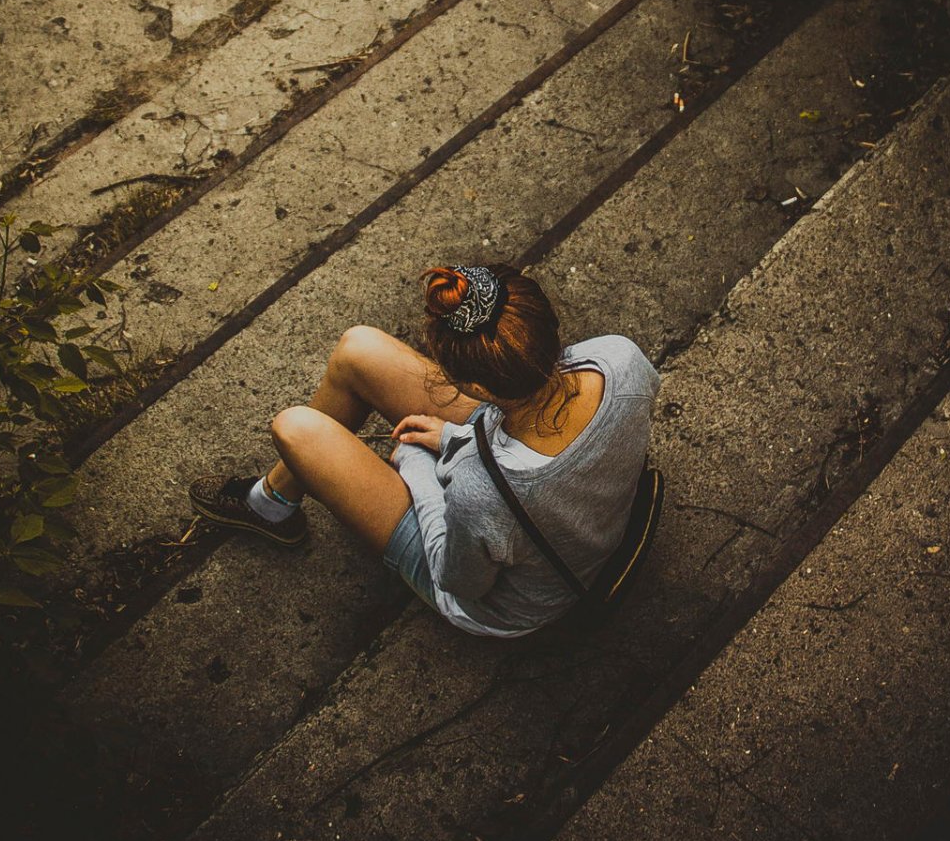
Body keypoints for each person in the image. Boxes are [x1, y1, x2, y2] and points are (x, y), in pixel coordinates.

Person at [188, 263, 659, 636]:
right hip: (559, 497)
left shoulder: (482, 490)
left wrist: (423, 466)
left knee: (294, 428)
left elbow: (458, 578)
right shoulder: (619, 359)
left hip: (510, 607)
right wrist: (456, 439)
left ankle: (268, 506)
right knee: (359, 347)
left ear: (474, 384)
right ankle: (272, 503)